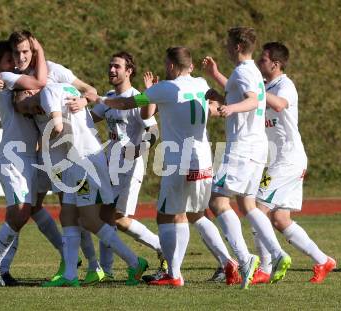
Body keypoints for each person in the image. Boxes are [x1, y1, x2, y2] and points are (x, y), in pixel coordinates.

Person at [84, 46, 240, 287]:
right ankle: (227, 260)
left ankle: (174, 273)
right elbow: (220, 98)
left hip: (178, 161)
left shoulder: (165, 88)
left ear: (170, 65)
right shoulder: (199, 83)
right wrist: (222, 98)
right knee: (193, 215)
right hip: (204, 160)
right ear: (190, 65)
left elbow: (128, 104)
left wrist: (100, 99)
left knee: (165, 216)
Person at [27, 82, 149, 287]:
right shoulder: (66, 88)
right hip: (79, 160)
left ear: (31, 91)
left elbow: (57, 128)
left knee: (90, 219)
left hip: (82, 161)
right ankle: (70, 275)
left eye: (24, 100)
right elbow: (88, 96)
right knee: (68, 214)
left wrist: (42, 146)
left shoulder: (47, 92)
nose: (29, 107)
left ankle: (135, 262)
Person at [7, 30, 102, 285]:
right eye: (17, 52)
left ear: (35, 50)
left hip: (67, 152)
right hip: (43, 153)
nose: (21, 56)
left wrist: (84, 100)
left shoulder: (53, 70)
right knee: (36, 206)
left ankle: (91, 265)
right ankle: (69, 257)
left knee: (71, 210)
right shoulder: (15, 79)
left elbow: (90, 91)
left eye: (26, 51)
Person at [202, 27, 291, 289]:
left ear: (238, 46)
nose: (227, 48)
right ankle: (277, 254)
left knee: (217, 201)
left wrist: (229, 108)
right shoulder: (249, 71)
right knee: (247, 205)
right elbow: (241, 95)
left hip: (242, 147)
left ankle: (245, 258)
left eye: (229, 44)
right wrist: (219, 91)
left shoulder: (243, 72)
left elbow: (252, 101)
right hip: (256, 146)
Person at [0, 39, 59, 286]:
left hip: (31, 155)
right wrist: (39, 49)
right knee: (19, 214)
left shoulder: (7, 77)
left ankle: (3, 267)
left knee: (25, 211)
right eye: (10, 58)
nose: (16, 62)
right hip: (14, 156)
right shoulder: (5, 77)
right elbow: (40, 82)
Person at [253, 41, 336, 284]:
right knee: (280, 219)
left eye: (263, 59)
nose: (260, 62)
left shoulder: (284, 85)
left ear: (275, 64)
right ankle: (323, 260)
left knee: (258, 207)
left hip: (287, 160)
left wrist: (256, 89)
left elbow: (279, 104)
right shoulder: (266, 86)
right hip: (276, 161)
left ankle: (265, 268)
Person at [88, 51, 165, 281]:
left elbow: (153, 131)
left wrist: (138, 150)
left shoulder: (138, 98)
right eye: (110, 66)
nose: (111, 70)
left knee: (116, 217)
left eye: (117, 67)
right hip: (110, 164)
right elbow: (90, 118)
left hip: (129, 166)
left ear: (129, 71)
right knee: (106, 217)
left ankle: (162, 247)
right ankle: (107, 270)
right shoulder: (110, 97)